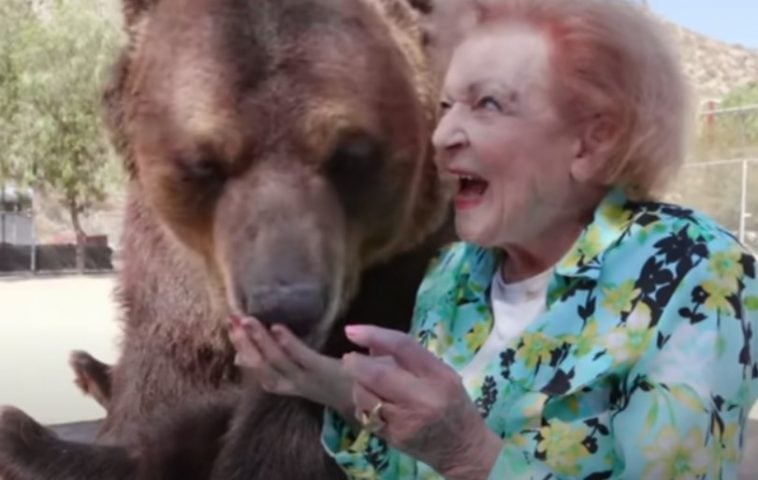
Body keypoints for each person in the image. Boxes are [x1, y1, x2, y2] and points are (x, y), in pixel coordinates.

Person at [228, 0, 758, 478]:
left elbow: (453, 450)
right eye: (445, 107)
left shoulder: (696, 273)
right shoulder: (453, 276)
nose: (442, 137)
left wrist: (471, 456)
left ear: (593, 141)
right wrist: (317, 381)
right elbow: (407, 465)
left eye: (488, 104)